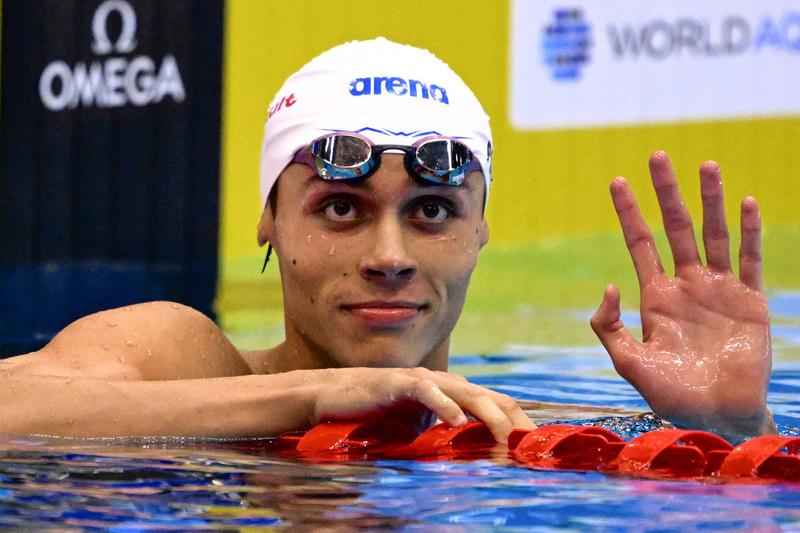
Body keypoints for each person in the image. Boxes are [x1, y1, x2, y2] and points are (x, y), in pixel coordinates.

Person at [0, 38, 774, 443]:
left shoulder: (509, 428)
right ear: (268, 220)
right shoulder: (178, 355)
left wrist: (731, 429)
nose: (389, 255)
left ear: (480, 234)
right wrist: (311, 397)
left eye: (433, 211)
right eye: (341, 209)